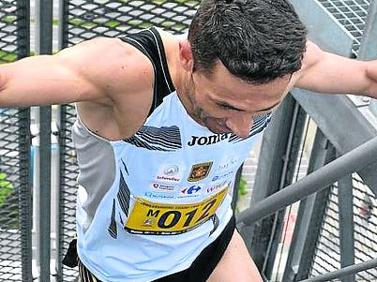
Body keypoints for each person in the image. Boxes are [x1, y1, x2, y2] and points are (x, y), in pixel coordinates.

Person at [1, 0, 377, 281]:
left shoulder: (285, 64)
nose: (243, 128)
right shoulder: (127, 75)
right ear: (187, 57)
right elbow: (9, 82)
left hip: (210, 241)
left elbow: (367, 77)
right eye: (225, 105)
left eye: (263, 110)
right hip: (120, 269)